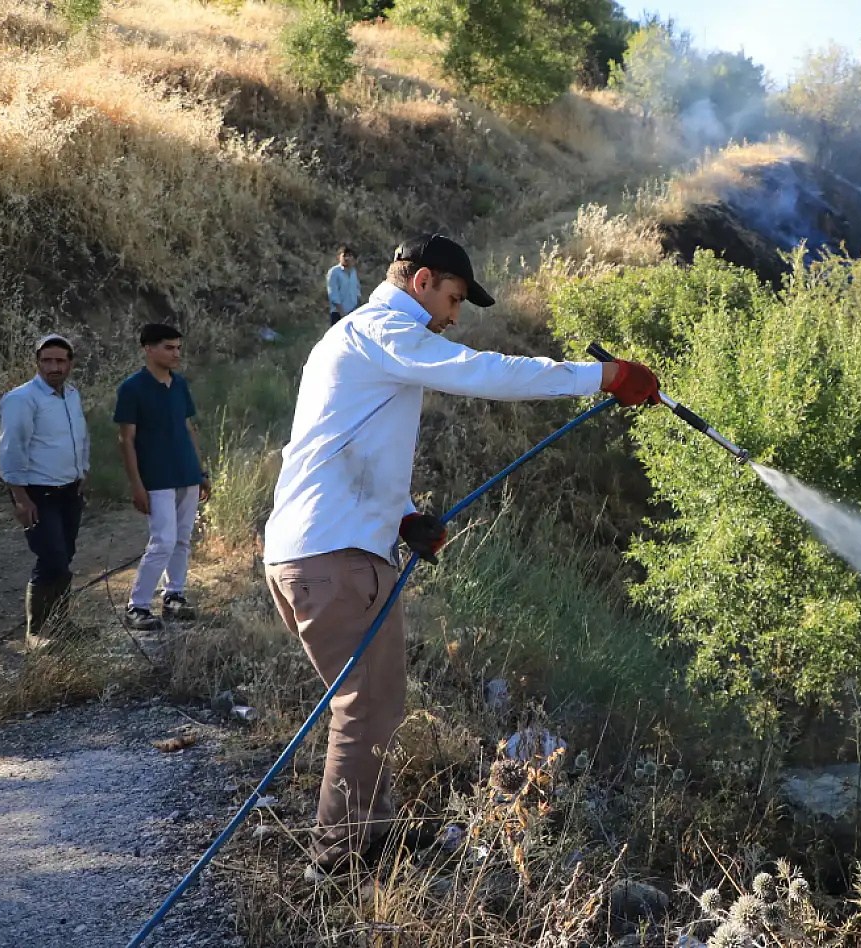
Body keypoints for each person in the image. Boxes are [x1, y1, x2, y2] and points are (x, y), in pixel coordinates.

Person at [262, 233, 660, 879]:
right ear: (421, 280)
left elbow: (349, 447)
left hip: (319, 550)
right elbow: (484, 372)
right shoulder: (382, 329)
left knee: (373, 705)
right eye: (451, 298)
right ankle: (334, 867)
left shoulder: (360, 341)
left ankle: (376, 838)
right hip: (333, 558)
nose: (453, 316)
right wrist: (603, 376)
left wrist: (405, 516)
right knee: (364, 710)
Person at [115, 323, 211, 631]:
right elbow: (126, 440)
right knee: (163, 541)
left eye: (178, 348)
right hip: (156, 477)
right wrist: (136, 484)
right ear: (148, 349)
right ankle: (137, 606)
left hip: (186, 472)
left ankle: (174, 597)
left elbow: (187, 428)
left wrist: (201, 471)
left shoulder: (179, 384)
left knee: (182, 539)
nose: (176, 354)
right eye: (169, 348)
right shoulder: (132, 388)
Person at [0, 334, 90, 649]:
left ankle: (64, 626)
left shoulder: (72, 395)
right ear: (37, 363)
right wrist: (21, 499)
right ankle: (35, 633)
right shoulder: (21, 399)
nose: (54, 367)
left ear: (70, 364)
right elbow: (11, 451)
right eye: (47, 360)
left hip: (69, 492)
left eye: (60, 361)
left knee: (66, 557)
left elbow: (79, 435)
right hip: (38, 494)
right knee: (51, 559)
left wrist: (83, 471)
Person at [327, 245, 361, 326]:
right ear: (339, 257)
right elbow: (333, 294)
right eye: (344, 255)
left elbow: (356, 290)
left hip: (353, 313)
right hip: (338, 314)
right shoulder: (334, 272)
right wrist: (342, 313)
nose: (347, 258)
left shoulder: (353, 272)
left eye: (349, 256)